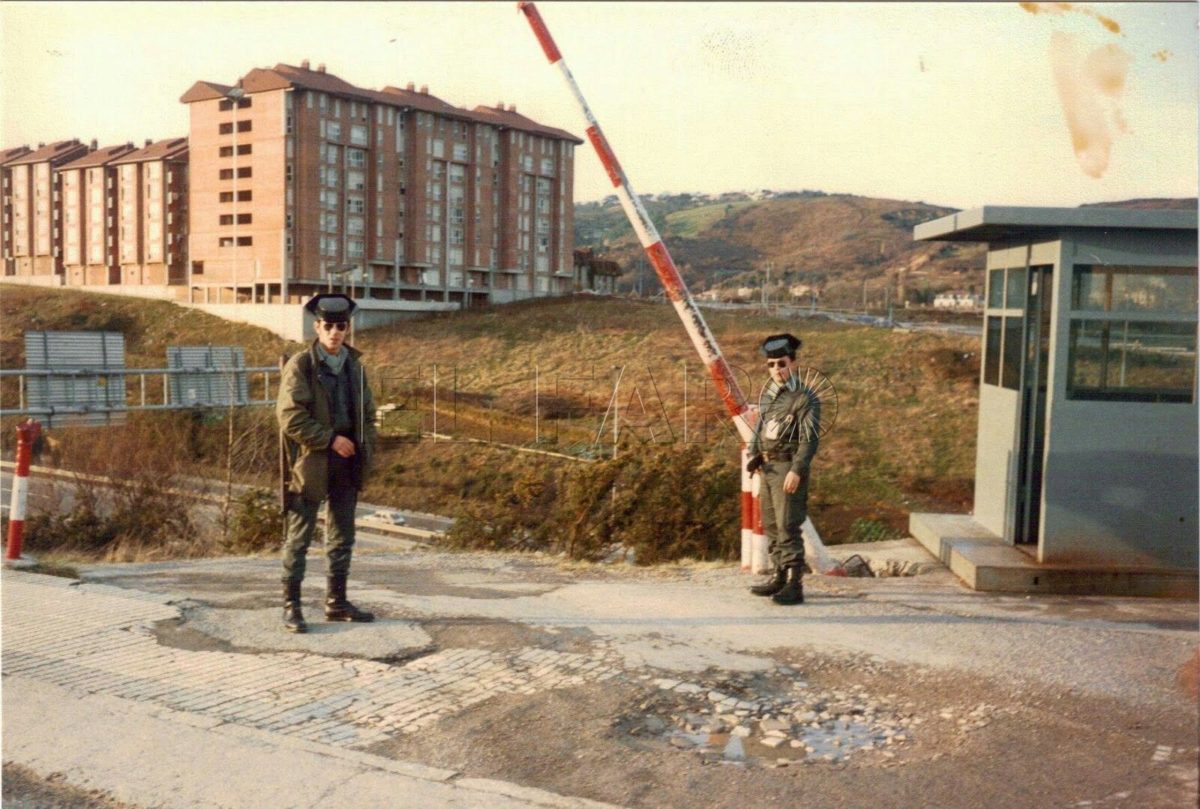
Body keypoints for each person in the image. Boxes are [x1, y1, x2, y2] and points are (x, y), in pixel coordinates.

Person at [277, 293, 377, 632]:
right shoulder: (301, 366)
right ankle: (292, 605)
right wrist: (330, 439)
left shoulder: (354, 366)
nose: (335, 332)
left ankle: (337, 602)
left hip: (348, 461)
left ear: (347, 328)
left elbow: (368, 414)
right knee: (299, 536)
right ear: (317, 327)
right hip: (313, 462)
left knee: (342, 535)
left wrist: (365, 449)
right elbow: (290, 418)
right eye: (329, 326)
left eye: (341, 326)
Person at [745, 333, 820, 605]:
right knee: (773, 525)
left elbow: (809, 440)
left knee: (788, 524)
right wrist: (754, 454)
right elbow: (760, 427)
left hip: (787, 466)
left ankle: (794, 584)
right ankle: (778, 575)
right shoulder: (769, 394)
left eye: (782, 363)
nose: (776, 369)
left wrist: (797, 470)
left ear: (793, 363)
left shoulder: (804, 398)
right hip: (768, 467)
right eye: (772, 364)